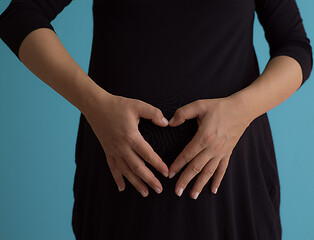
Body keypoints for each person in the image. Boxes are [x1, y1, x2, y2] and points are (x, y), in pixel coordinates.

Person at [0, 0, 312, 239]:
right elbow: (21, 15)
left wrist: (239, 111)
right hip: (121, 182)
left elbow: (294, 46)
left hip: (231, 185)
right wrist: (96, 106)